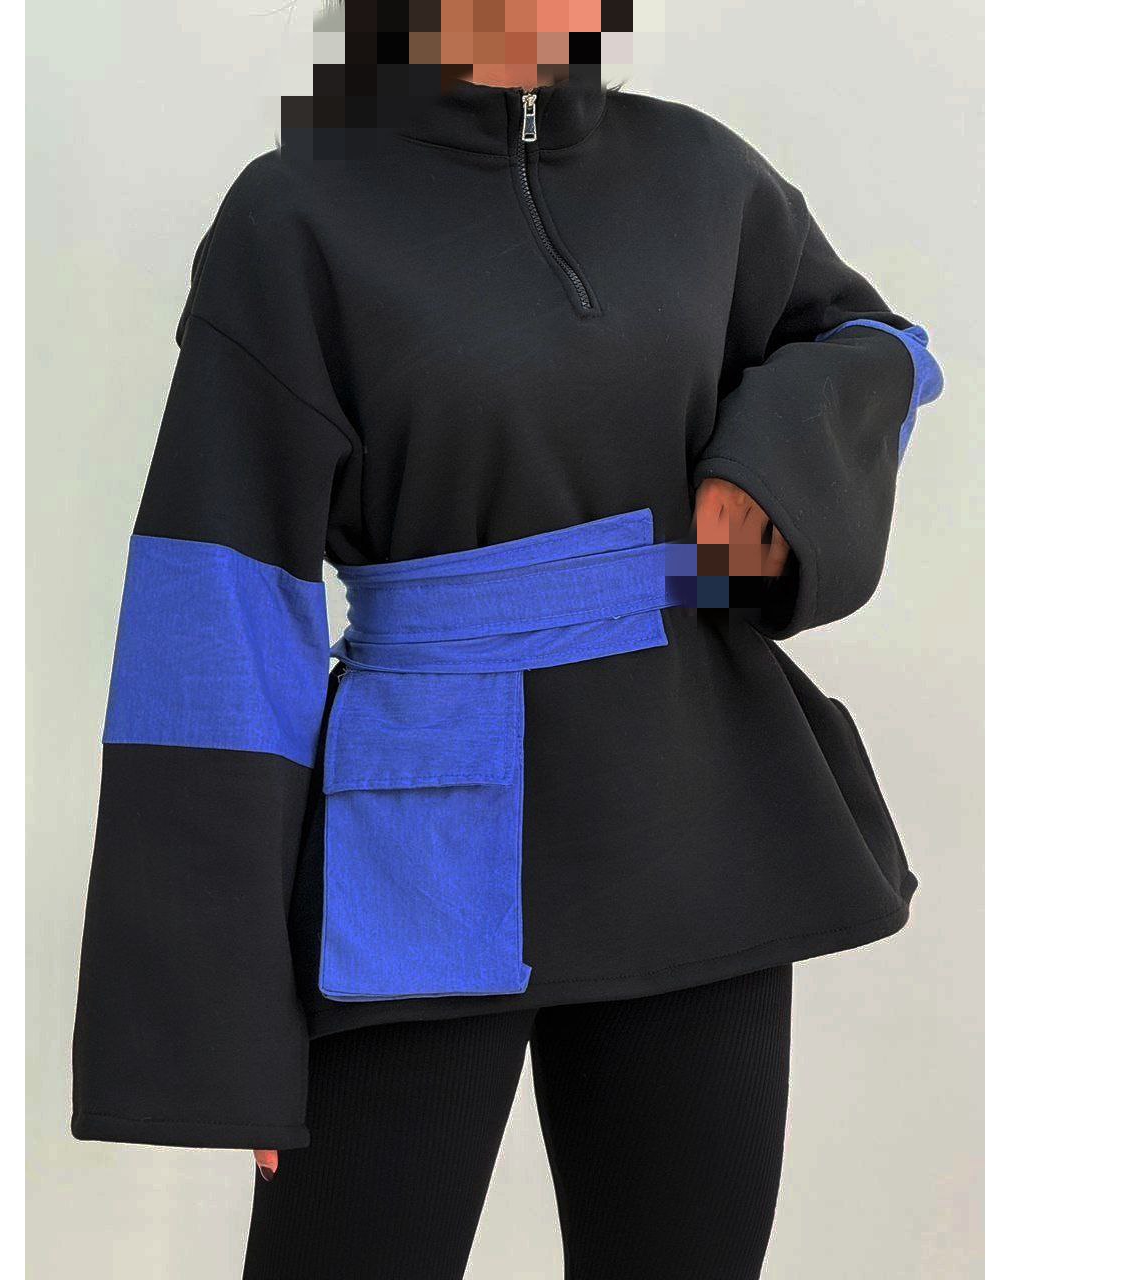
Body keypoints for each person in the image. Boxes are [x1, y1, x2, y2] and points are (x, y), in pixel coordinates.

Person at [70, 6, 943, 1277]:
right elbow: (216, 612)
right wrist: (226, 1028)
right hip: (424, 845)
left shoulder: (704, 173)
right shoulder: (296, 211)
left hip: (692, 808)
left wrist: (770, 469)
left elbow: (870, 344)